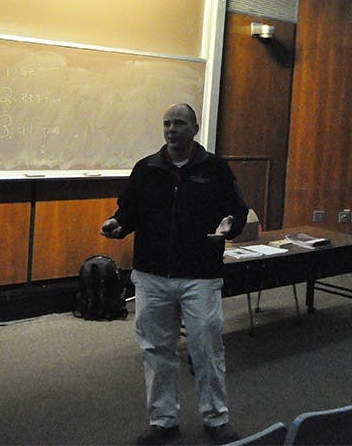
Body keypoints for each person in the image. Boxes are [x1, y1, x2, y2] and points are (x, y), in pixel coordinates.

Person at [101, 103, 248, 445]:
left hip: (200, 275)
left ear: (195, 128)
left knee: (206, 348)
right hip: (152, 275)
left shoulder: (216, 169)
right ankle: (163, 420)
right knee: (155, 348)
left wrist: (231, 225)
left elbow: (236, 210)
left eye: (179, 124)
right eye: (167, 124)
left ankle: (216, 418)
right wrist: (118, 224)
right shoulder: (146, 169)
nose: (171, 129)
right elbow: (129, 210)